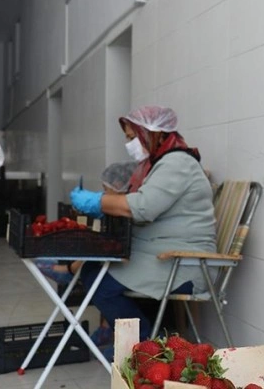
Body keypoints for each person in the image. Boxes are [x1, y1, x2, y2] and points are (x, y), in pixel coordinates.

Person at [70, 105, 217, 346]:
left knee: (101, 283)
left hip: (186, 262)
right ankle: (144, 342)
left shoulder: (176, 163)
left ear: (154, 133)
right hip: (164, 256)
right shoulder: (161, 163)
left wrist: (98, 202)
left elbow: (144, 207)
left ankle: (149, 346)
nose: (129, 144)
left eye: (132, 137)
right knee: (93, 272)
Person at [35, 161, 138, 347]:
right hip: (127, 255)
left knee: (100, 279)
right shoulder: (124, 204)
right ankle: (109, 327)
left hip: (141, 261)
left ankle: (128, 336)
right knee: (95, 262)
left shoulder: (134, 204)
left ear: (123, 188)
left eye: (107, 190)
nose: (104, 196)